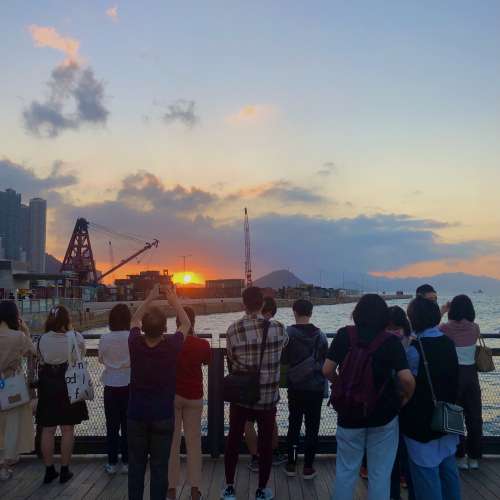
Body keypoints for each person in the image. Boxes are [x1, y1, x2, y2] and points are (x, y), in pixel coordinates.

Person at [322, 294, 415, 500]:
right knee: (380, 474)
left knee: (346, 471)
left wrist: (339, 385)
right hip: (383, 416)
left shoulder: (344, 334)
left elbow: (327, 369)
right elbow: (407, 379)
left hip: (349, 413)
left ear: (357, 313)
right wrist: (405, 398)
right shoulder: (390, 341)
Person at [221, 287, 288, 500]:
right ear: (262, 304)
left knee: (233, 439)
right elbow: (285, 345)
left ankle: (229, 487)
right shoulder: (278, 328)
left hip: (241, 396)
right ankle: (261, 490)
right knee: (266, 444)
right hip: (267, 398)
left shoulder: (233, 329)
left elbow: (231, 358)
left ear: (244, 304)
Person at [127, 284, 191, 500]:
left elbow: (133, 320)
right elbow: (186, 323)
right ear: (164, 328)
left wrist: (149, 298)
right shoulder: (171, 346)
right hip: (163, 416)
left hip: (136, 415)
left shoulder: (135, 343)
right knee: (160, 467)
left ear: (144, 328)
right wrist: (174, 302)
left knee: (136, 466)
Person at [400, 297, 462, 500]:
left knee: (426, 477)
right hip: (447, 419)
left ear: (413, 319)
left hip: (421, 423)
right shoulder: (448, 343)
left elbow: (406, 384)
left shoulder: (414, 350)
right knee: (448, 472)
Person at [36, 305, 88, 484]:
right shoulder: (75, 337)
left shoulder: (42, 339)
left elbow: (40, 357)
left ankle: (49, 470)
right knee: (67, 429)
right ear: (67, 320)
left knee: (47, 429)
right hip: (69, 384)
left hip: (48, 386)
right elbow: (82, 354)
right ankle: (65, 469)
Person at [168, 307, 211, 500]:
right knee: (194, 443)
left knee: (173, 442)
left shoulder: (170, 343)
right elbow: (207, 361)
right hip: (194, 397)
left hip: (173, 396)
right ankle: (194, 489)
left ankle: (171, 489)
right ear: (193, 322)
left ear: (177, 322)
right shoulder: (202, 344)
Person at [282, 299, 328, 479]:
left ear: (294, 312)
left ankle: (291, 463)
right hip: (316, 387)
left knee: (294, 424)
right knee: (312, 426)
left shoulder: (288, 334)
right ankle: (308, 466)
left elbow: (284, 360)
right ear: (311, 313)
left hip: (296, 386)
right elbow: (325, 360)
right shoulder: (321, 335)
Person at [440, 294, 482, 470]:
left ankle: (459, 456)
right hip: (471, 375)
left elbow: (430, 329)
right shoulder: (475, 328)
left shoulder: (445, 328)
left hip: (453, 375)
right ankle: (474, 457)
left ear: (453, 310)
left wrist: (443, 310)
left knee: (454, 418)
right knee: (474, 417)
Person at [245, 297, 286, 472]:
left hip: (248, 387)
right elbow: (285, 343)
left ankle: (255, 457)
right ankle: (273, 453)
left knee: (248, 422)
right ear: (268, 311)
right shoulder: (279, 328)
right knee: (270, 421)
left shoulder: (242, 327)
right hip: (270, 387)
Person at [0, 301, 35, 481]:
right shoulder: (17, 337)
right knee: (10, 427)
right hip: (10, 387)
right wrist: (26, 332)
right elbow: (32, 351)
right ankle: (4, 466)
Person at [98, 303, 131, 475]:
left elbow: (100, 359)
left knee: (111, 426)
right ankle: (127, 462)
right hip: (129, 384)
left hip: (110, 385)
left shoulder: (105, 338)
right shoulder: (132, 337)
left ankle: (111, 462)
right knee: (128, 426)